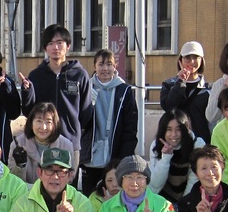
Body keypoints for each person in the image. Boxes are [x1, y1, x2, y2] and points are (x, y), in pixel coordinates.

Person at [20, 25, 92, 162]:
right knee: (42, 182)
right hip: (42, 142)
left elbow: (86, 112)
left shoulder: (79, 75)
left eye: (60, 43)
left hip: (70, 142)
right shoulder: (36, 76)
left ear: (68, 46)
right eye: (51, 43)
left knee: (69, 182)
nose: (55, 47)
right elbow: (29, 111)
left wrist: (72, 130)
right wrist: (27, 91)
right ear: (45, 48)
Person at [81, 49, 138, 195]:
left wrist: (122, 158)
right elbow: (80, 121)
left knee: (114, 197)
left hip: (115, 156)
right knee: (90, 197)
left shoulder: (124, 91)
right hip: (90, 157)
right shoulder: (86, 88)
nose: (105, 68)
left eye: (109, 64)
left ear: (115, 66)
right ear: (94, 66)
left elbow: (130, 128)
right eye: (101, 64)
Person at [7, 103, 78, 184]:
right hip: (25, 193)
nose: (43, 127)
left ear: (55, 124)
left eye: (48, 122)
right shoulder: (18, 144)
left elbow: (69, 178)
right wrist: (20, 166)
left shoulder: (66, 145)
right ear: (31, 123)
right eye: (39, 121)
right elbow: (12, 180)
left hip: (54, 193)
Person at [148, 109, 204, 204]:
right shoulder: (156, 145)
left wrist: (184, 206)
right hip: (162, 201)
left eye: (178, 129)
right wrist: (165, 158)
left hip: (189, 199)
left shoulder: (197, 144)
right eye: (169, 129)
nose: (173, 135)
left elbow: (194, 179)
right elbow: (155, 185)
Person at [161, 41, 212, 142]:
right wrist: (180, 82)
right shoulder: (169, 84)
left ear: (202, 60)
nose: (192, 61)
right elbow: (168, 107)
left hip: (201, 142)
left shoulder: (208, 88)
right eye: (187, 57)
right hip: (175, 141)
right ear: (180, 60)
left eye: (196, 57)